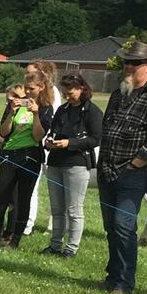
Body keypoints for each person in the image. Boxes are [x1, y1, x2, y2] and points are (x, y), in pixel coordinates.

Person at [96, 40, 147, 294]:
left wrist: (139, 161)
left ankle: (125, 283)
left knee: (124, 225)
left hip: (132, 174)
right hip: (107, 170)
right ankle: (113, 276)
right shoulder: (117, 94)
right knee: (110, 226)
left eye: (134, 64)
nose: (128, 68)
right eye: (126, 63)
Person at [40, 72, 102, 257]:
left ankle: (71, 248)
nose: (67, 95)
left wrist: (70, 143)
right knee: (57, 209)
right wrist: (49, 141)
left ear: (82, 88)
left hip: (77, 164)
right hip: (56, 162)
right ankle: (55, 245)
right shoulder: (62, 110)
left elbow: (96, 138)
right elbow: (54, 130)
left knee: (74, 209)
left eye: (71, 91)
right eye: (64, 91)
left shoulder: (92, 111)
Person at [0, 71, 48, 247]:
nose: (28, 93)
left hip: (31, 156)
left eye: (31, 89)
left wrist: (36, 114)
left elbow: (38, 137)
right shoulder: (13, 105)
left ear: (41, 88)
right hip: (10, 154)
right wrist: (11, 114)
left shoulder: (45, 108)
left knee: (22, 199)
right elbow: (4, 132)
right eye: (26, 89)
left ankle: (14, 240)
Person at [21, 59, 62, 235]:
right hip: (30, 142)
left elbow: (51, 120)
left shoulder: (52, 93)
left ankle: (34, 224)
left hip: (46, 144)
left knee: (44, 186)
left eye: (31, 73)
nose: (27, 77)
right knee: (30, 184)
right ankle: (25, 223)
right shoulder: (29, 94)